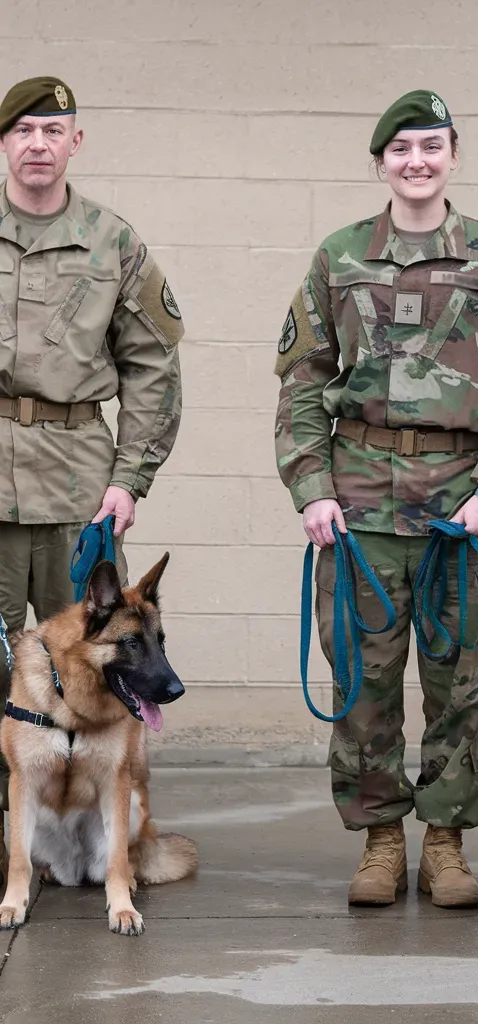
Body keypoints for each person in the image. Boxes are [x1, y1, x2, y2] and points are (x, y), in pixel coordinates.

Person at [274, 90, 478, 909]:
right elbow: (302, 384)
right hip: (358, 509)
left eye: (431, 147)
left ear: (454, 155)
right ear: (380, 164)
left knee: (461, 684)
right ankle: (381, 841)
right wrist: (311, 488)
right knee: (363, 686)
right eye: (401, 150)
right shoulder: (340, 256)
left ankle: (445, 843)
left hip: (457, 512)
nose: (417, 162)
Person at [0, 77, 184, 871]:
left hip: (80, 480)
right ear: (4, 143)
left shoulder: (114, 242)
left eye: (53, 128)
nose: (37, 143)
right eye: (22, 130)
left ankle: (110, 837)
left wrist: (131, 475)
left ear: (75, 142)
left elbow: (154, 365)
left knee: (94, 668)